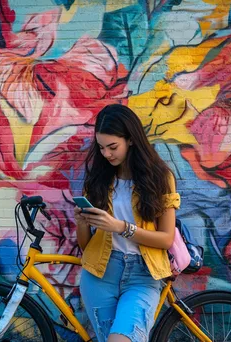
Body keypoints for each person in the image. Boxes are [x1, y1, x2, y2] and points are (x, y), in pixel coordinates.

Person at [74, 104, 181, 342]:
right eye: (101, 147)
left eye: (113, 147)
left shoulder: (160, 178)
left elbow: (166, 238)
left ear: (131, 140)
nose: (106, 154)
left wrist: (121, 227)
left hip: (143, 274)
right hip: (100, 275)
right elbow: (86, 246)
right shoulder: (98, 180)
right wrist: (82, 223)